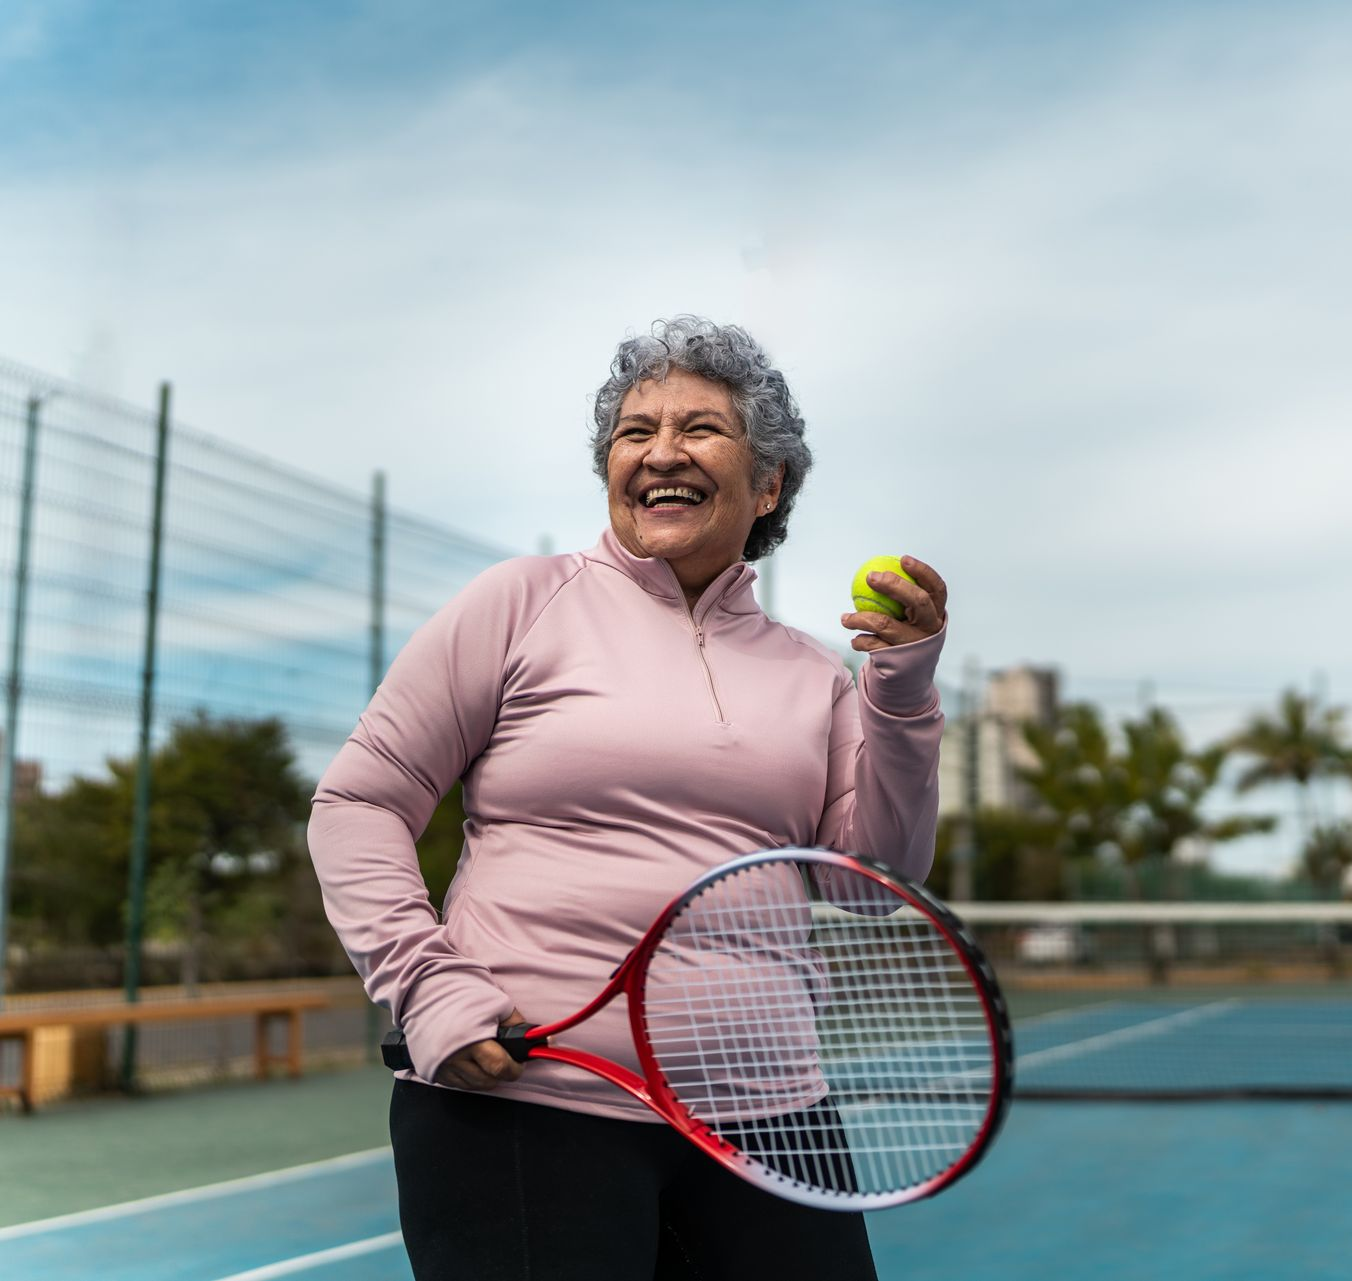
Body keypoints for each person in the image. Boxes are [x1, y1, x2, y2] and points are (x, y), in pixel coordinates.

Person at [308, 315, 948, 1280]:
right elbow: (359, 804)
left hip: (773, 1123)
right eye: (633, 432)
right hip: (529, 1103)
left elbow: (869, 884)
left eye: (700, 429)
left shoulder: (816, 677)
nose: (660, 453)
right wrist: (428, 984)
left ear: (769, 482)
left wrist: (899, 689)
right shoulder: (519, 602)